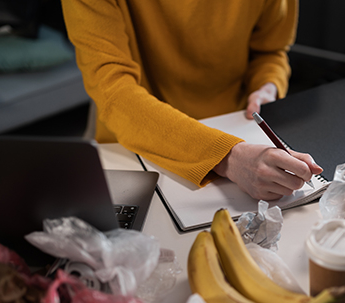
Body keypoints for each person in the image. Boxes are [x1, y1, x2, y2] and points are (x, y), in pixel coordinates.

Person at [61, 0, 323, 200]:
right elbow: (113, 91)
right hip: (132, 138)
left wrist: (267, 85)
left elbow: (270, 50)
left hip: (238, 131)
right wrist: (225, 157)